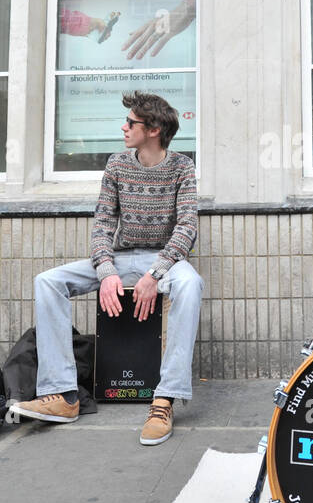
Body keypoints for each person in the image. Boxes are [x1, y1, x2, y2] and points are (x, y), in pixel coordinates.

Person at [10, 91, 202, 445]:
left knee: (191, 285)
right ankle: (63, 395)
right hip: (121, 260)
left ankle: (164, 399)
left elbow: (187, 227)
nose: (124, 127)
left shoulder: (182, 167)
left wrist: (156, 274)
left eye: (131, 122)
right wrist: (106, 271)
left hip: (164, 261)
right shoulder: (116, 164)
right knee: (48, 281)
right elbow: (102, 224)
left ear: (154, 129)